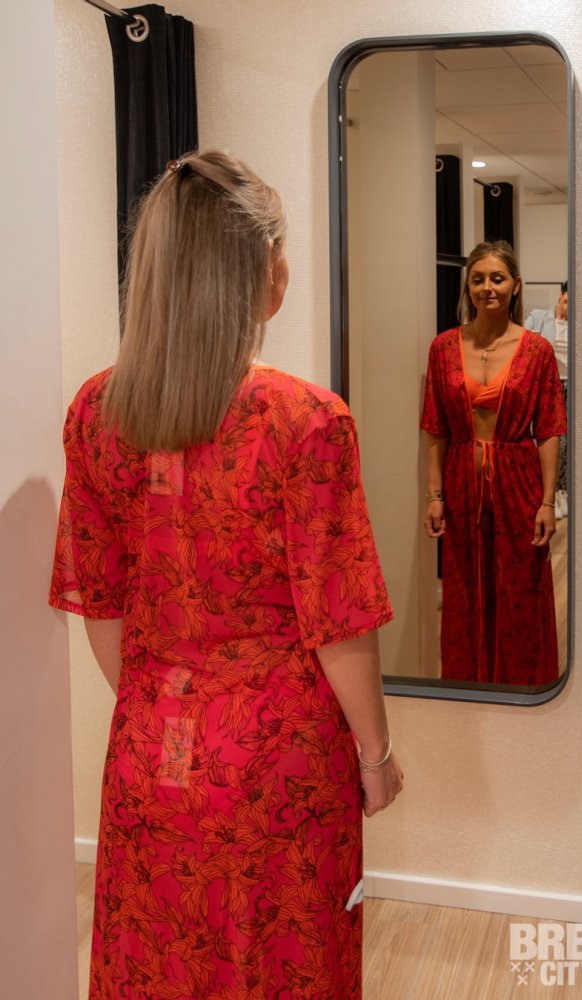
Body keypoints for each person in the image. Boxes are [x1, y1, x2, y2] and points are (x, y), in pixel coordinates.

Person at [49, 150, 403, 999]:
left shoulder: (97, 412)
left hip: (150, 753)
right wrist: (376, 753)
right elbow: (339, 623)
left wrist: (166, 707)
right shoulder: (307, 422)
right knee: (281, 965)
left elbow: (101, 606)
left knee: (158, 959)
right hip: (281, 764)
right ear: (263, 271)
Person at [421, 241, 566, 686]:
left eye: (497, 278)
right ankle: (468, 686)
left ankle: (524, 685)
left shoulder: (537, 350)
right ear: (468, 285)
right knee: (465, 587)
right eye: (478, 279)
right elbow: (435, 428)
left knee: (522, 586)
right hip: (461, 479)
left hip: (518, 479)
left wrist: (546, 502)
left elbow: (549, 430)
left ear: (515, 285)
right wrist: (434, 495)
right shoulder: (443, 347)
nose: (488, 288)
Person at [525, 282, 569, 517]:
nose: (569, 306)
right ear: (561, 295)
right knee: (553, 441)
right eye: (567, 300)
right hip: (547, 384)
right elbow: (523, 342)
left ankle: (562, 491)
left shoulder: (578, 324)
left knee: (568, 443)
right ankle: (548, 494)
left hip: (570, 384)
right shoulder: (538, 317)